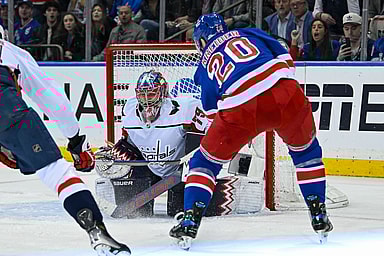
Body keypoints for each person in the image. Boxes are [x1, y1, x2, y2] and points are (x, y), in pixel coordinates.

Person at [169, 13, 333, 249]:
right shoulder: (248, 32)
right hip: (285, 91)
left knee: (204, 163)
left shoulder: (204, 63)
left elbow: (211, 109)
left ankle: (190, 220)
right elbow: (283, 53)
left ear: (201, 41)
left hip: (241, 108)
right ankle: (318, 213)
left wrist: (235, 136)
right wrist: (282, 90)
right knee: (307, 154)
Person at [0, 26, 131, 256]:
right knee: (56, 172)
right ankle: (95, 230)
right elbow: (54, 101)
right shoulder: (12, 53)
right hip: (7, 109)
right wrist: (76, 142)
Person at [100, 70, 209, 217]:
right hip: (149, 167)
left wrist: (194, 164)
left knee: (178, 212)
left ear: (163, 93)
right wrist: (120, 151)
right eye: (141, 94)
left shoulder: (184, 108)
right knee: (136, 215)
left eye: (151, 94)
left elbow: (203, 135)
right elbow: (129, 141)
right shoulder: (129, 109)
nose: (146, 100)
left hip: (179, 168)